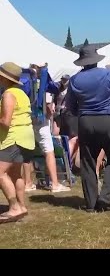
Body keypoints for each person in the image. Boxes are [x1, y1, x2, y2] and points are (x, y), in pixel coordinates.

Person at [65, 45, 110, 212]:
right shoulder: (108, 74)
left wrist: (84, 112)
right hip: (107, 120)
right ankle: (105, 198)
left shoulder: (75, 79)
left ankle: (91, 203)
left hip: (85, 121)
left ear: (82, 62)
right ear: (96, 59)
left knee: (88, 162)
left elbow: (70, 106)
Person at [23, 64, 71, 193]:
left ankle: (27, 183)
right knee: (49, 150)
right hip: (40, 119)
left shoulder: (24, 81)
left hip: (26, 119)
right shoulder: (44, 82)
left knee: (26, 152)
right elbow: (55, 90)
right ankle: (55, 184)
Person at [0, 62, 35, 223]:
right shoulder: (21, 93)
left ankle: (14, 207)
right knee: (15, 173)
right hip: (26, 137)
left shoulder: (8, 94)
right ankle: (21, 206)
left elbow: (6, 121)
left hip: (13, 137)